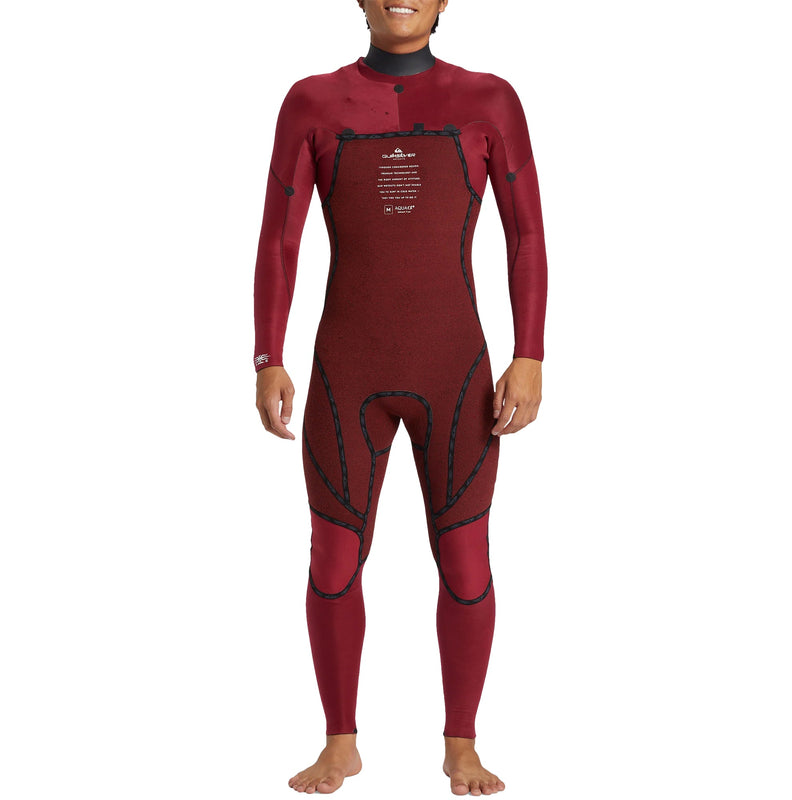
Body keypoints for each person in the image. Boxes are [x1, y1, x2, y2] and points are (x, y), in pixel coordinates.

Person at [253, 0, 547, 794]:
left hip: (456, 372)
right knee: (333, 557)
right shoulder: (311, 102)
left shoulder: (489, 100)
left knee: (466, 558)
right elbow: (280, 238)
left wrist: (529, 355)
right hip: (345, 371)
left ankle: (461, 745)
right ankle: (340, 742)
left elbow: (526, 234)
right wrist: (268, 356)